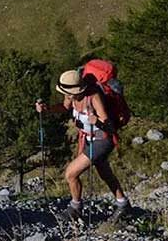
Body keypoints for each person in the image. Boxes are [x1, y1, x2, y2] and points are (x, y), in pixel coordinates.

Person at [35, 69, 129, 222]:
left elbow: (109, 126)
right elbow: (65, 108)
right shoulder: (71, 97)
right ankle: (123, 203)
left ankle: (75, 209)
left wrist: (96, 121)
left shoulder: (94, 98)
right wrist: (47, 110)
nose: (67, 95)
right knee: (104, 172)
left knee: (71, 173)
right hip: (86, 138)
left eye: (69, 92)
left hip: (101, 139)